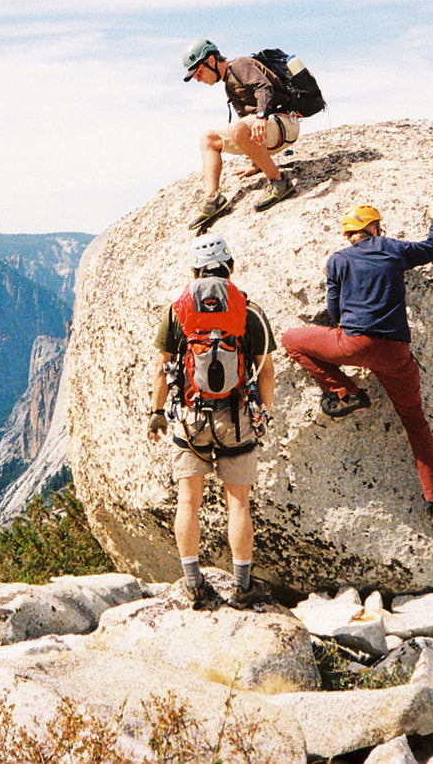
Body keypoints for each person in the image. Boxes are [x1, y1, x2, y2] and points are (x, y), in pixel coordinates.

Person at [281, 201, 433, 527]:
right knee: (415, 423)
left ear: (349, 234)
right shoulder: (391, 249)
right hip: (395, 353)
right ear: (375, 228)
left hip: (352, 345)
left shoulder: (338, 260)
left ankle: (345, 392)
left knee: (291, 339)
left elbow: (334, 313)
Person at [147, 234, 276, 610]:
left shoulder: (178, 310)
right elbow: (265, 371)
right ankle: (242, 586)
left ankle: (193, 584)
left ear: (194, 270)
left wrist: (156, 414)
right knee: (239, 504)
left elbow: (161, 367)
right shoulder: (248, 310)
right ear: (230, 268)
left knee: (188, 501)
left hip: (190, 417)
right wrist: (262, 412)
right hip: (235, 418)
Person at [181, 39, 299, 228]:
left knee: (235, 127)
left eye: (199, 72)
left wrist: (261, 117)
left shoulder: (240, 64)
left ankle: (279, 182)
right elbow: (245, 123)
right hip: (269, 128)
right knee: (208, 139)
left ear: (211, 61)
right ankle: (213, 199)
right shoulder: (229, 83)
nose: (198, 78)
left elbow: (264, 86)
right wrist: (256, 162)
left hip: (284, 121)